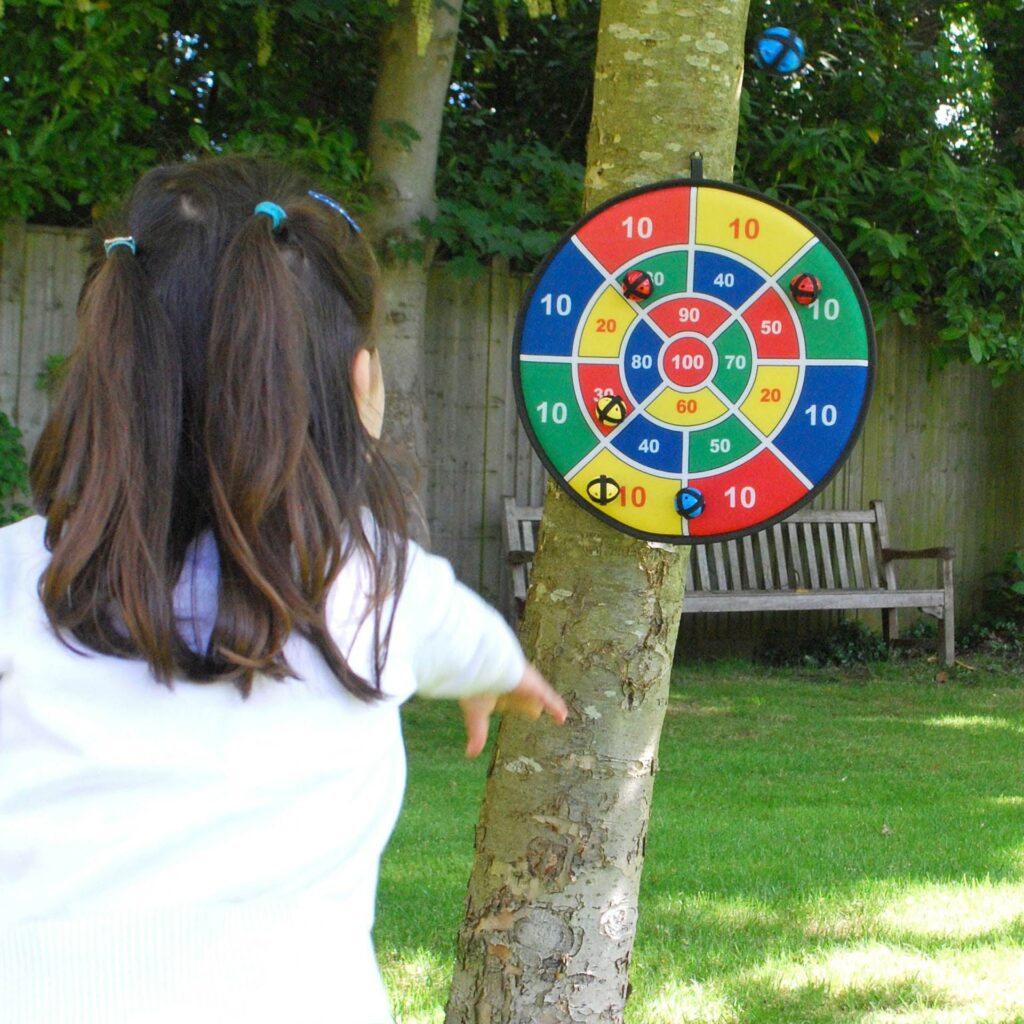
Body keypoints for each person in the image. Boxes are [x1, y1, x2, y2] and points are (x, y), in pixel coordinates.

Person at [0, 156, 566, 1024]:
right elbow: (469, 637)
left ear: (102, 382)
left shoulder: (17, 579)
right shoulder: (383, 584)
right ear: (360, 387)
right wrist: (502, 673)